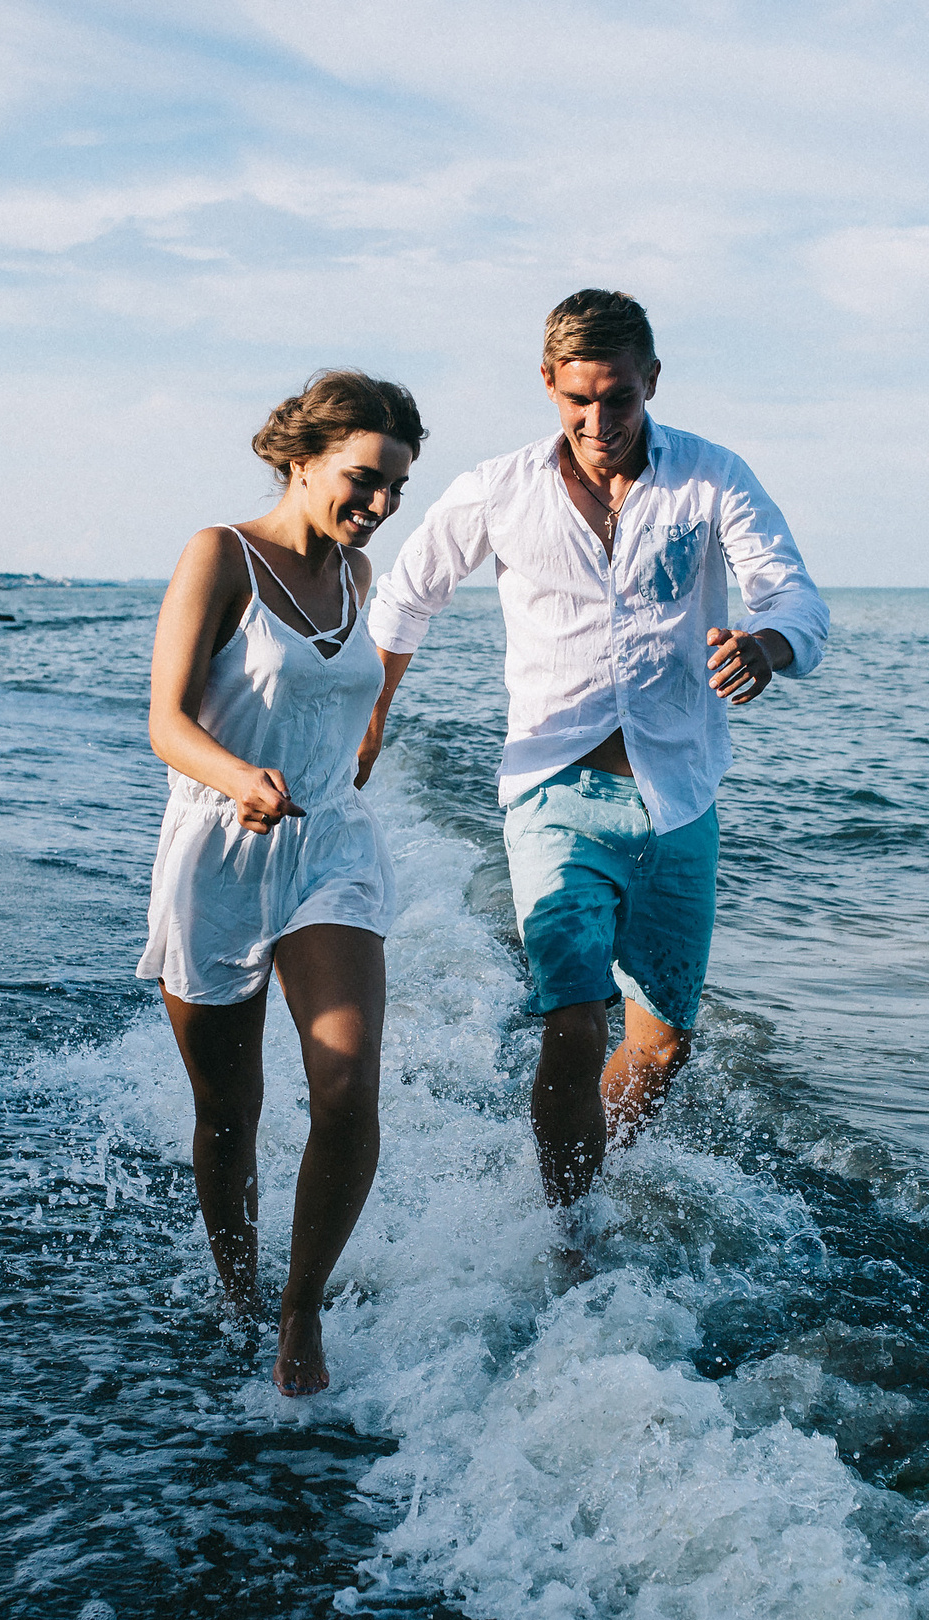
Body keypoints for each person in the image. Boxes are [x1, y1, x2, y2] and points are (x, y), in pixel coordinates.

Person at [358, 290, 829, 1209]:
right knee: (572, 1024)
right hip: (552, 793)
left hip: (679, 798)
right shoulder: (499, 488)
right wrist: (370, 716)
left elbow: (795, 598)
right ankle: (570, 1236)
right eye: (579, 399)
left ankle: (576, 1176)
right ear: (548, 382)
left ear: (651, 379)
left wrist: (766, 648)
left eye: (620, 398)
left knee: (662, 1046)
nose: (599, 421)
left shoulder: (712, 478)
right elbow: (406, 596)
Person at [140, 369, 425, 1396]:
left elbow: (345, 701)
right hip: (219, 852)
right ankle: (237, 1292)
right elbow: (166, 721)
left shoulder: (358, 575)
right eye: (364, 479)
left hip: (329, 848)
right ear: (302, 460)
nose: (380, 504)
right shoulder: (219, 555)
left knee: (346, 1088)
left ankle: (300, 1311)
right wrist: (238, 777)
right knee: (229, 1113)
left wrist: (352, 747)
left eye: (396, 487)